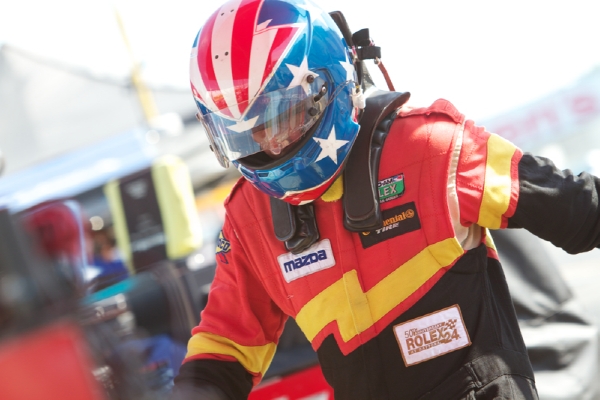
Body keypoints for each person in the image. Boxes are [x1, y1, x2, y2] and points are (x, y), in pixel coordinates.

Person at [171, 0, 600, 398]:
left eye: (278, 115)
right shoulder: (249, 217)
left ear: (326, 83)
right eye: (244, 133)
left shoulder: (433, 147)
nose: (269, 142)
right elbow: (223, 350)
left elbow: (579, 209)